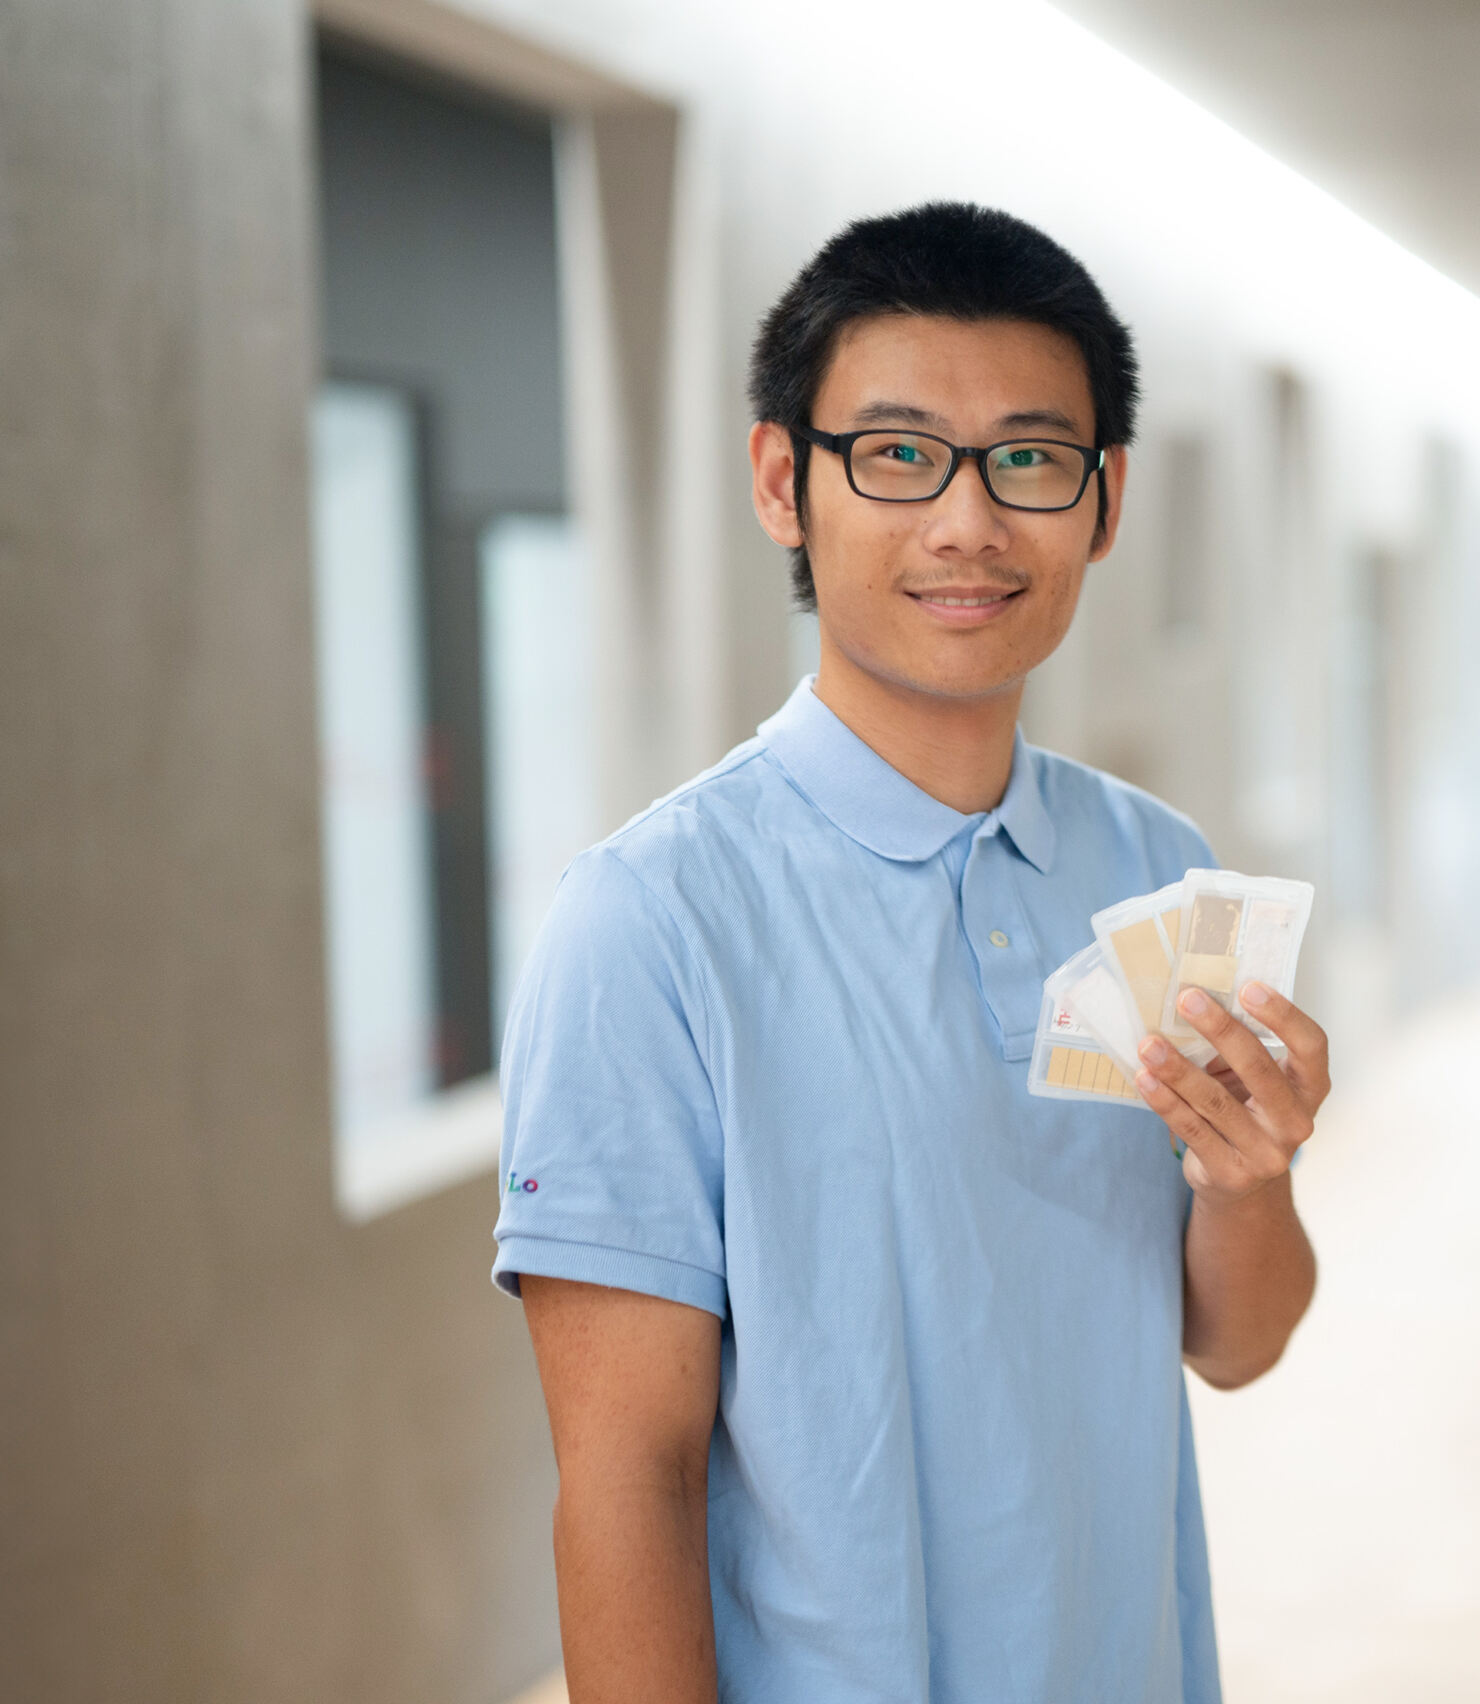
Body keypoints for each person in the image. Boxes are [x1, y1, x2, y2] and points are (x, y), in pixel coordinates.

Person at [490, 202, 1325, 1704]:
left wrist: (1249, 1176)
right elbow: (627, 1481)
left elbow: (1236, 1342)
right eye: (895, 455)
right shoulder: (652, 922)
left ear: (1105, 500)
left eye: (1027, 458)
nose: (966, 522)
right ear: (780, 481)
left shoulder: (1158, 871)